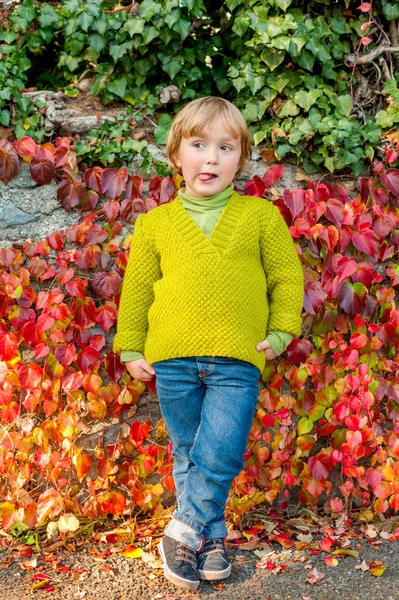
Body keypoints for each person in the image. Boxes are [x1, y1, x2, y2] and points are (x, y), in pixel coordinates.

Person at [113, 96, 304, 591]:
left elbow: (286, 278)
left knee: (220, 450)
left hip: (238, 356)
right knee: (188, 450)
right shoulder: (154, 224)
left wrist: (282, 331)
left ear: (241, 158)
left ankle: (181, 530)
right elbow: (137, 289)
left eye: (226, 147)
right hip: (171, 356)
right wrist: (131, 346)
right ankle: (210, 536)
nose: (212, 158)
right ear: (177, 154)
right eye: (199, 145)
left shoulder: (261, 217)